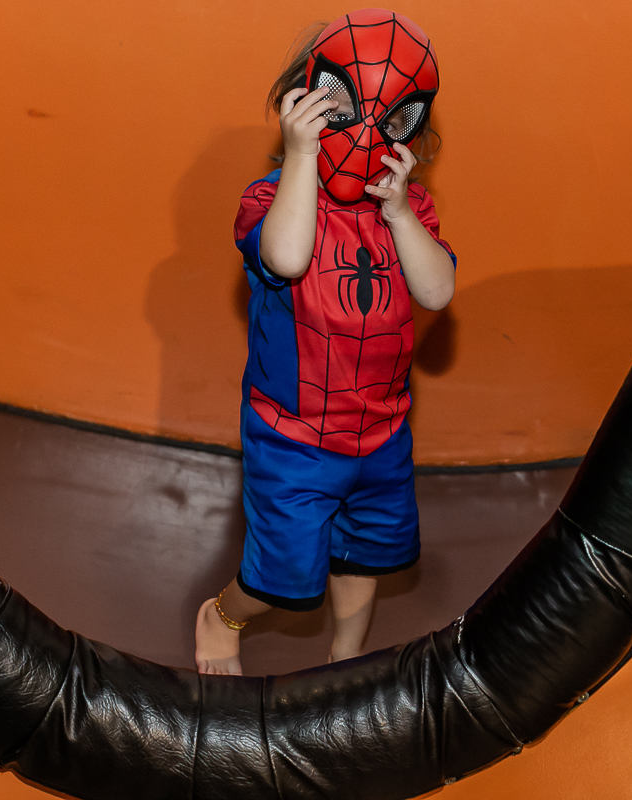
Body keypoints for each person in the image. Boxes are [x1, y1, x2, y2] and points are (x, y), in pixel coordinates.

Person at [194, 8, 455, 675]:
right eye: (339, 108)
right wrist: (303, 158)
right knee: (282, 579)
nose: (365, 131)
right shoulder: (269, 200)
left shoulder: (408, 211)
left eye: (390, 118)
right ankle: (222, 615)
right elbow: (286, 257)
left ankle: (347, 654)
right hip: (293, 433)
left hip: (382, 431)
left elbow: (436, 293)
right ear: (299, 104)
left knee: (365, 556)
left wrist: (400, 214)